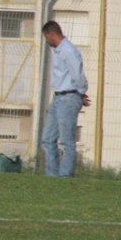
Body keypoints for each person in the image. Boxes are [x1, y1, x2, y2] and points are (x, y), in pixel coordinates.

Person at [41, 21, 91, 177]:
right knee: (48, 139)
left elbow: (77, 75)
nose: (46, 41)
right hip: (57, 97)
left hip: (68, 97)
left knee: (66, 142)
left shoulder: (68, 51)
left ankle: (65, 176)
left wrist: (80, 93)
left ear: (52, 34)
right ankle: (52, 175)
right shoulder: (58, 51)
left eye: (46, 37)